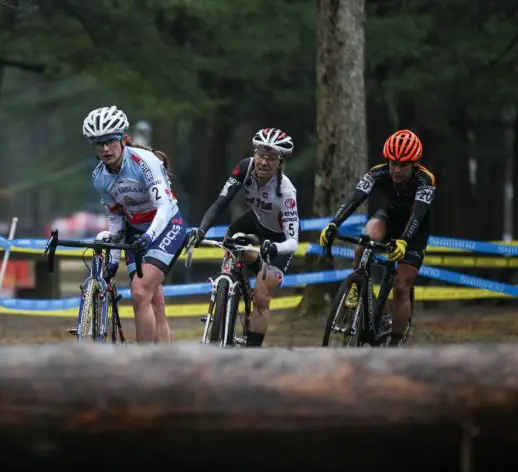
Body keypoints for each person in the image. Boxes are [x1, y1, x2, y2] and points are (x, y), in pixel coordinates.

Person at [319, 129, 436, 343]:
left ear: (414, 165)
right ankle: (357, 285)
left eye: (403, 165)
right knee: (365, 239)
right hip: (389, 218)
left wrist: (405, 241)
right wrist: (334, 223)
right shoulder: (377, 173)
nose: (397, 170)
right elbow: (354, 199)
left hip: (414, 229)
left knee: (401, 287)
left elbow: (418, 214)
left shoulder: (425, 180)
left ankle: (395, 344)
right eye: (393, 163)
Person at [82, 105, 187, 344]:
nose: (105, 148)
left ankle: (144, 364)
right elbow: (116, 217)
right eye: (99, 143)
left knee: (140, 293)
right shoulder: (100, 177)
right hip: (135, 231)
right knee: (153, 300)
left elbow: (165, 206)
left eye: (110, 141)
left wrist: (149, 238)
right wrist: (113, 259)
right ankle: (166, 360)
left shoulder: (144, 162)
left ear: (123, 138)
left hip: (166, 226)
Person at [188, 128, 300, 348]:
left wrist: (275, 249)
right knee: (230, 241)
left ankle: (252, 353)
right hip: (253, 221)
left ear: (280, 162)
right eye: (260, 155)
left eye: (272, 158)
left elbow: (293, 241)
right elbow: (221, 203)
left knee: (261, 297)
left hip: (277, 239)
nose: (264, 162)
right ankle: (227, 292)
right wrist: (201, 230)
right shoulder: (244, 167)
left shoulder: (286, 192)